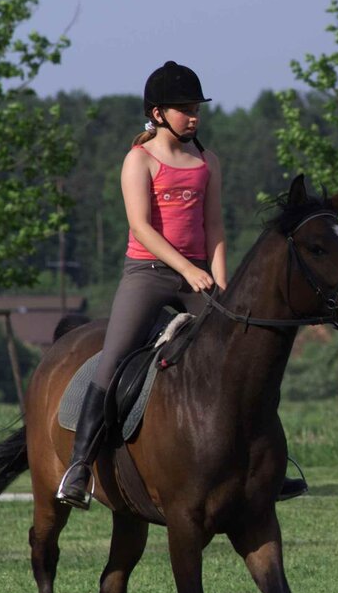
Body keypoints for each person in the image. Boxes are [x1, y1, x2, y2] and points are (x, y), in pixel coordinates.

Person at [57, 61, 308, 508]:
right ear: (157, 114)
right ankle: (79, 466)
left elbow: (215, 226)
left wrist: (221, 281)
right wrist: (187, 270)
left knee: (246, 355)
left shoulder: (208, 161)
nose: (194, 117)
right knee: (112, 359)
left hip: (200, 273)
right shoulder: (139, 160)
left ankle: (267, 465)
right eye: (185, 109)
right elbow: (142, 228)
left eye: (196, 109)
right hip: (147, 274)